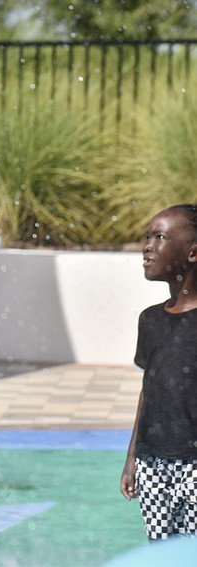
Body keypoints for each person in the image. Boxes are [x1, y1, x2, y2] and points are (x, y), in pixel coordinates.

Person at [121, 204, 197, 541]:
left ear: (193, 252)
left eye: (160, 237)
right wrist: (132, 455)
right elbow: (147, 390)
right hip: (152, 462)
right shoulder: (150, 319)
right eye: (147, 237)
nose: (147, 246)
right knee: (161, 550)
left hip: (195, 463)